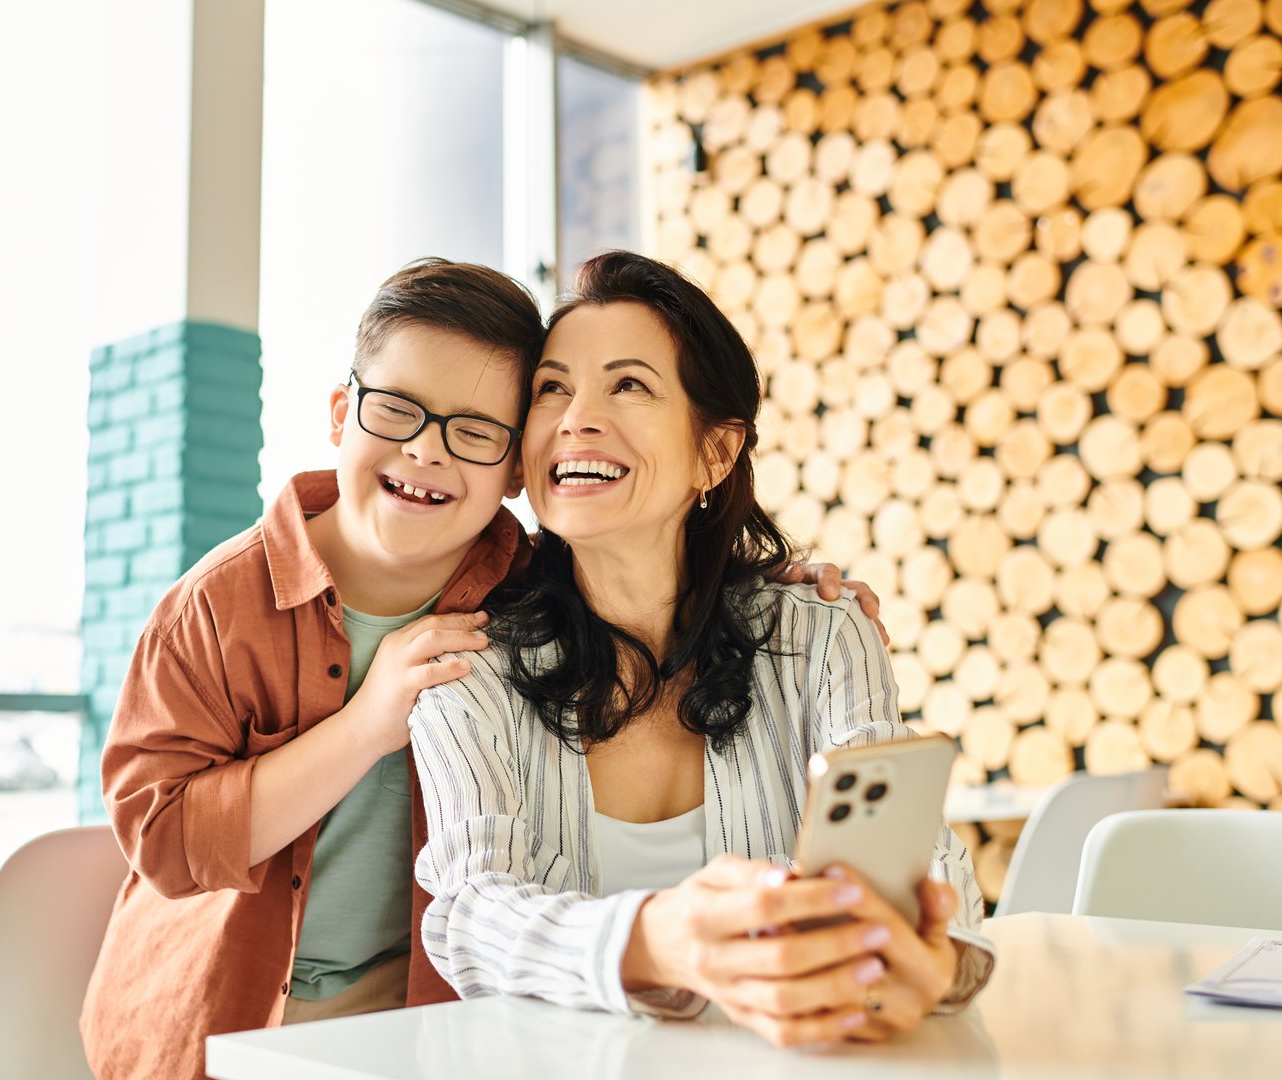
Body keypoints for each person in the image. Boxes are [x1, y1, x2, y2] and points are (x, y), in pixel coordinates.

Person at [79, 257, 881, 1078]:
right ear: (339, 413)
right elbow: (165, 838)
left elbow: (644, 551)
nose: (424, 451)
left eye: (473, 431)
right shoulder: (214, 606)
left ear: (513, 469)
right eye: (394, 411)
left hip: (420, 1017)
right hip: (225, 1017)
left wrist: (768, 584)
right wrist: (365, 724)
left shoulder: (523, 584)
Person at [409, 251, 995, 1048]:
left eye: (628, 384)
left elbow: (921, 863)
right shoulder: (466, 673)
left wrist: (930, 954)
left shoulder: (822, 634)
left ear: (715, 453)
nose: (576, 416)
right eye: (553, 387)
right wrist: (661, 940)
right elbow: (472, 917)